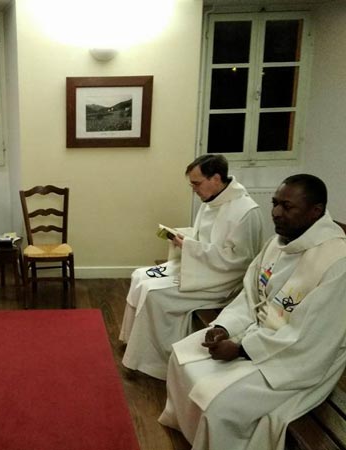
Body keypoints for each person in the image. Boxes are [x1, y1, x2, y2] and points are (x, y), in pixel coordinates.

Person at [158, 174, 346, 450]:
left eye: (287, 206)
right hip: (259, 333)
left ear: (315, 211)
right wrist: (224, 327)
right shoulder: (278, 243)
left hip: (296, 361)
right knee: (181, 357)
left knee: (218, 405)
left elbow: (311, 338)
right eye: (275, 203)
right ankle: (191, 433)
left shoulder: (336, 262)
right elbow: (250, 294)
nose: (276, 213)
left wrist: (242, 349)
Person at [119, 154, 263, 379]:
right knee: (139, 275)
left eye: (197, 183)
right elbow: (203, 238)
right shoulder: (212, 201)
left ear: (216, 179)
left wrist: (189, 246)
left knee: (154, 294)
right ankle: (133, 344)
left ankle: (156, 362)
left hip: (223, 281)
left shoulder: (245, 212)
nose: (194, 189)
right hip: (201, 267)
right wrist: (182, 238)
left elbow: (240, 262)